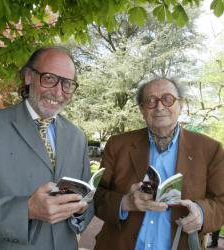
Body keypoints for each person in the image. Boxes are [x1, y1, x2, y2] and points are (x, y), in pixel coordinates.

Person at [94, 78, 224, 250]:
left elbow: (221, 202)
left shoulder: (210, 149)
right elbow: (95, 196)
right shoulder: (118, 145)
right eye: (150, 101)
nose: (160, 106)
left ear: (181, 105)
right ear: (142, 109)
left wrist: (201, 213)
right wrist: (125, 203)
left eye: (168, 99)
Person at [0, 46, 94, 250]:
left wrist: (80, 212)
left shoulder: (77, 137)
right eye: (50, 78)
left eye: (67, 84)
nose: (58, 91)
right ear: (28, 76)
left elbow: (88, 202)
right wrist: (26, 210)